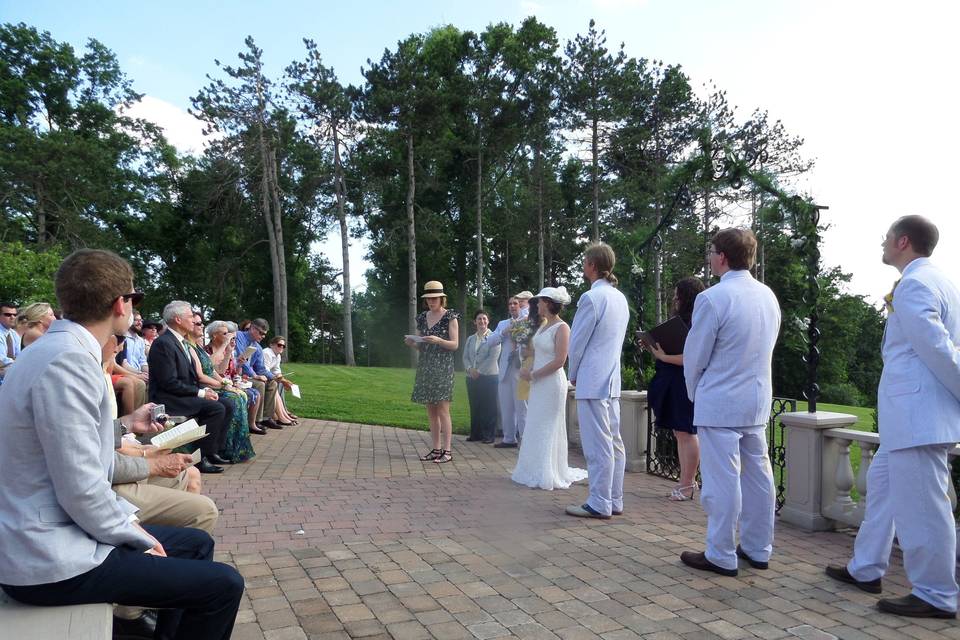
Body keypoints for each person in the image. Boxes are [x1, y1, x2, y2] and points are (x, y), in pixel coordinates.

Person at [0, 248, 244, 640]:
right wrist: (135, 535)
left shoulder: (50, 352)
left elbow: (78, 454)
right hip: (47, 558)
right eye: (134, 297)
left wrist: (126, 428)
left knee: (195, 544)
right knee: (223, 586)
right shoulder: (68, 361)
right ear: (120, 303)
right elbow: (81, 489)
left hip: (50, 536)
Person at [826, 216, 960, 619]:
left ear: (903, 241)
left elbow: (938, 348)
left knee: (924, 508)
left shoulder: (916, 284)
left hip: (919, 417)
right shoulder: (942, 281)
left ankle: (936, 593)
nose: (882, 244)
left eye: (886, 238)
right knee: (881, 490)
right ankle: (865, 568)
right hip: (911, 418)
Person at [679, 228, 781, 577]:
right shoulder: (768, 296)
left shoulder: (713, 298)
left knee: (723, 481)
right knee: (758, 478)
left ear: (722, 257)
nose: (709, 257)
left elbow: (695, 356)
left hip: (721, 400)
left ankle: (721, 552)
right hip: (756, 400)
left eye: (711, 252)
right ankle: (758, 547)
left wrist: (696, 392)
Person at [565, 243, 630, 519]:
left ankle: (600, 501)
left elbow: (577, 342)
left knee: (597, 443)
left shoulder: (591, 299)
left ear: (592, 265)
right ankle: (615, 498)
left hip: (593, 380)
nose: (583, 267)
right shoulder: (619, 298)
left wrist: (573, 374)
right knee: (614, 441)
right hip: (612, 379)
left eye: (584, 262)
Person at [512, 288, 588, 490]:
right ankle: (532, 467)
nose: (536, 305)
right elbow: (535, 351)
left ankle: (549, 469)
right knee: (535, 423)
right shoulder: (543, 326)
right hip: (538, 382)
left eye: (539, 302)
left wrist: (534, 375)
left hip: (552, 383)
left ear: (547, 303)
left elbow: (560, 360)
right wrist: (523, 353)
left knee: (549, 425)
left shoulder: (562, 328)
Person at [148, 301, 234, 473]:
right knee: (216, 409)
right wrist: (201, 393)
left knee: (228, 404)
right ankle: (199, 459)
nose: (194, 321)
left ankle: (212, 451)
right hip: (168, 398)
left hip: (181, 394)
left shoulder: (178, 341)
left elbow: (189, 377)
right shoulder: (164, 343)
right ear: (178, 320)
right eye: (190, 317)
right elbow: (168, 382)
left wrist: (205, 391)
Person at [643, 277, 706, 501]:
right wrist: (655, 346)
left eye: (678, 294)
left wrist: (663, 356)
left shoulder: (697, 323)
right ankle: (687, 481)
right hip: (672, 379)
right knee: (680, 433)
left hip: (684, 382)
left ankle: (687, 484)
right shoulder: (680, 321)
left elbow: (692, 358)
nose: (674, 298)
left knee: (686, 432)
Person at [188, 313, 256, 463]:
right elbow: (210, 367)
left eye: (201, 323)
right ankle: (224, 448)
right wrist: (223, 384)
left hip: (213, 383)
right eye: (224, 333)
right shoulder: (200, 348)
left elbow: (216, 372)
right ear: (214, 335)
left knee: (239, 396)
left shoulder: (198, 347)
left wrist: (226, 383)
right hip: (204, 387)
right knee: (232, 400)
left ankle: (230, 446)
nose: (228, 336)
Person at [405, 281, 460, 464]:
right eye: (428, 298)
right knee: (431, 410)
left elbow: (455, 345)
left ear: (442, 298)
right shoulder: (422, 317)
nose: (431, 301)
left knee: (443, 410)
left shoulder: (450, 316)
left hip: (443, 367)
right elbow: (422, 346)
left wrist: (438, 341)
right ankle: (436, 449)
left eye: (434, 298)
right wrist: (414, 344)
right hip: (426, 366)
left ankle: (448, 451)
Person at [480, 296, 527, 448]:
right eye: (510, 303)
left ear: (521, 305)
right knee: (506, 406)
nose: (513, 306)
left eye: (516, 303)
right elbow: (490, 342)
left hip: (522, 369)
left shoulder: (528, 321)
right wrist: (504, 332)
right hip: (505, 370)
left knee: (522, 407)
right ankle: (509, 438)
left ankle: (526, 441)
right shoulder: (503, 324)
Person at [208, 321, 264, 435]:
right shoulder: (208, 350)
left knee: (254, 393)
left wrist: (239, 364)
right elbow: (216, 371)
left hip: (227, 383)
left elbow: (234, 373)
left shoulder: (229, 351)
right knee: (239, 397)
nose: (232, 341)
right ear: (214, 335)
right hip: (215, 384)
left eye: (233, 338)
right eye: (227, 336)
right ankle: (235, 432)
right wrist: (228, 384)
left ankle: (248, 426)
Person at [235, 318, 281, 430]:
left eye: (265, 334)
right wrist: (255, 376)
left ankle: (266, 418)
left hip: (248, 376)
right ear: (252, 328)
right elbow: (241, 359)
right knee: (260, 384)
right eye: (261, 333)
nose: (263, 336)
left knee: (272, 383)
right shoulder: (239, 336)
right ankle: (255, 421)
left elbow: (261, 369)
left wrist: (275, 377)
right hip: (237, 374)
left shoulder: (257, 347)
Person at [462, 309, 500, 444]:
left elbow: (493, 357)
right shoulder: (470, 339)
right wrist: (469, 369)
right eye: (479, 319)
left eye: (484, 319)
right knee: (475, 405)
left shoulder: (494, 337)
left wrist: (479, 371)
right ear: (475, 322)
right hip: (471, 377)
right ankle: (475, 434)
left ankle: (488, 435)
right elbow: (465, 357)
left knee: (488, 406)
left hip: (489, 377)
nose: (482, 321)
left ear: (488, 321)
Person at [263, 336, 298, 425]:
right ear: (271, 345)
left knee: (280, 384)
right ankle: (281, 416)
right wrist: (282, 380)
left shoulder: (277, 355)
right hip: (260, 376)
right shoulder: (266, 353)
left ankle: (283, 413)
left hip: (267, 377)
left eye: (283, 346)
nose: (281, 347)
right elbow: (264, 370)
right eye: (279, 345)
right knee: (275, 384)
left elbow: (276, 371)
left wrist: (284, 380)